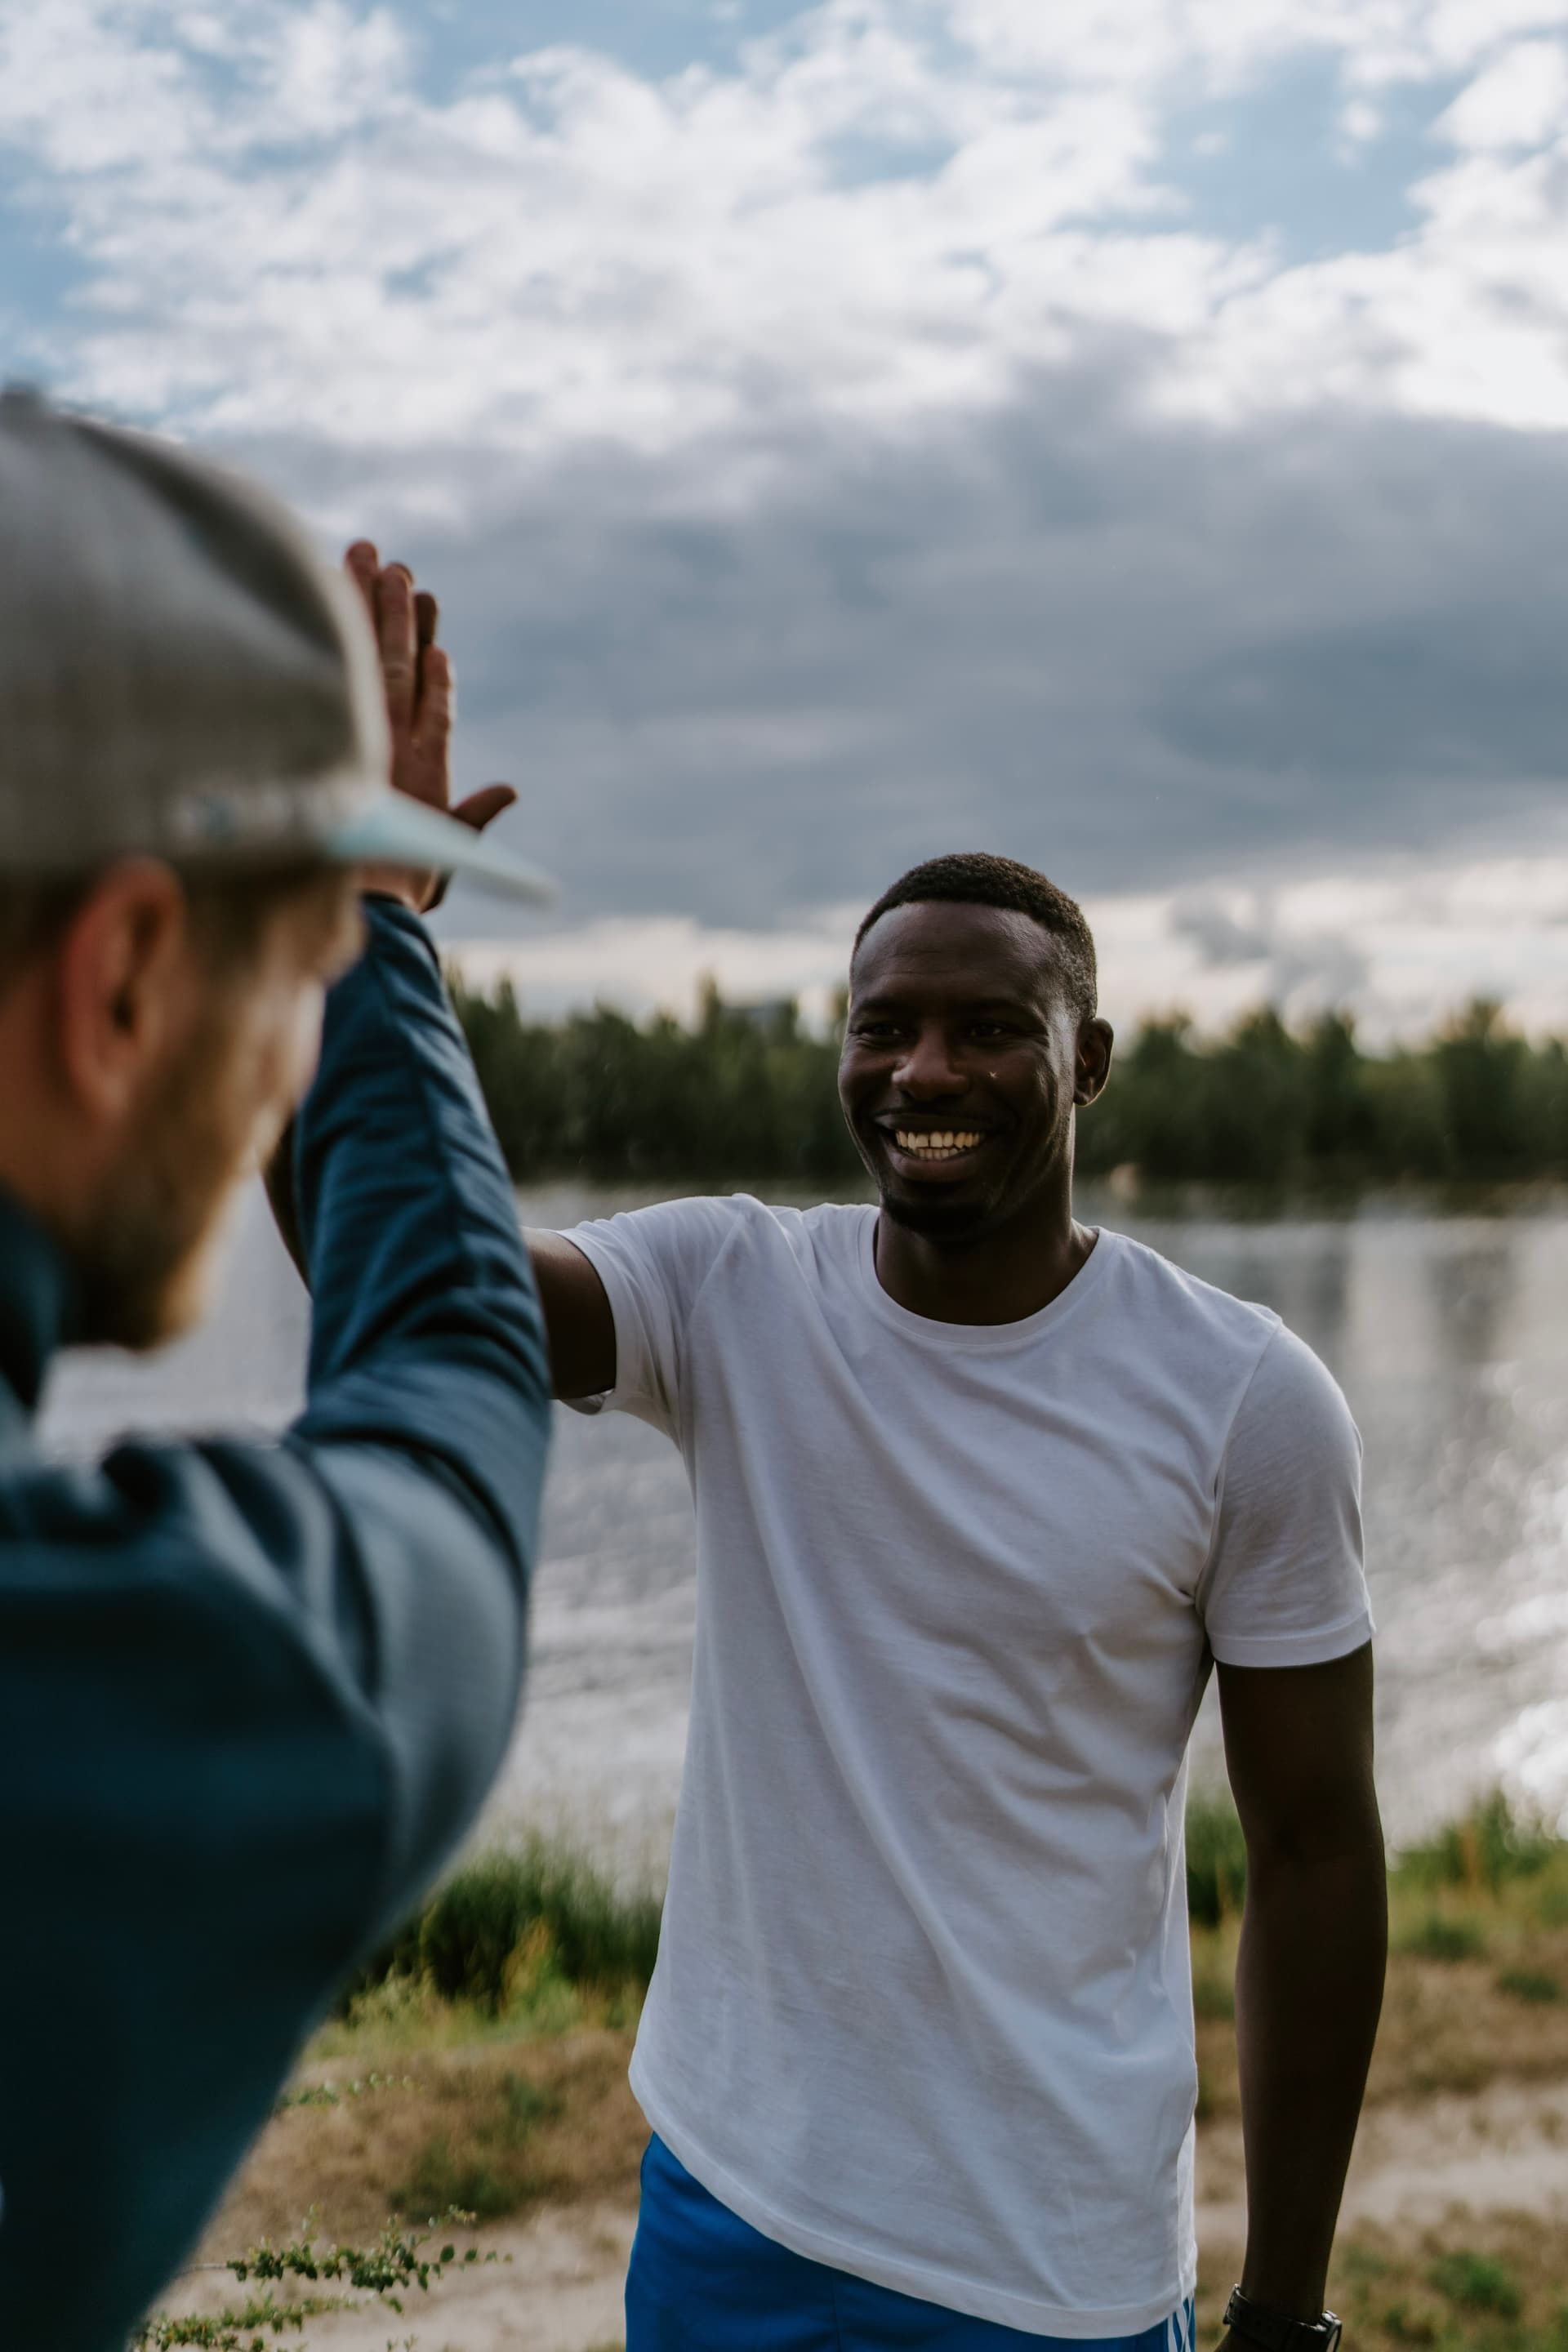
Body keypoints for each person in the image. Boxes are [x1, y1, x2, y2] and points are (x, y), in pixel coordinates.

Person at [530, 853, 1386, 2351]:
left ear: (1089, 1063)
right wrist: (346, 939)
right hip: (732, 2216)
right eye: (884, 1026)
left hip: (1052, 2272)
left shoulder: (1248, 1403)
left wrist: (1286, 2308)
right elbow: (409, 1281)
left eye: (990, 1027)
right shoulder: (733, 1294)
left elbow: (1316, 1857)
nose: (926, 1068)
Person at [0, 390, 556, 2351]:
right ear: (126, 980)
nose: (284, 1059)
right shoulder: (122, 1680)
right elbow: (456, 1408)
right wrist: (391, 947)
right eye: (282, 965)